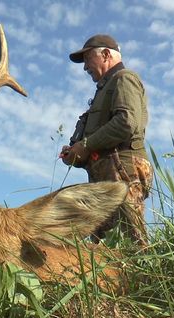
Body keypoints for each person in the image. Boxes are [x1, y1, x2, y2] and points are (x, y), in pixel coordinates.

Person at [60, 34, 153, 246]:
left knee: (132, 244)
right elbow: (96, 143)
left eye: (87, 59)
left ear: (105, 54)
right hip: (106, 174)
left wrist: (85, 144)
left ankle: (146, 279)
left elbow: (126, 122)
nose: (85, 67)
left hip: (122, 170)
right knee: (103, 248)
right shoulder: (105, 90)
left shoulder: (124, 78)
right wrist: (74, 154)